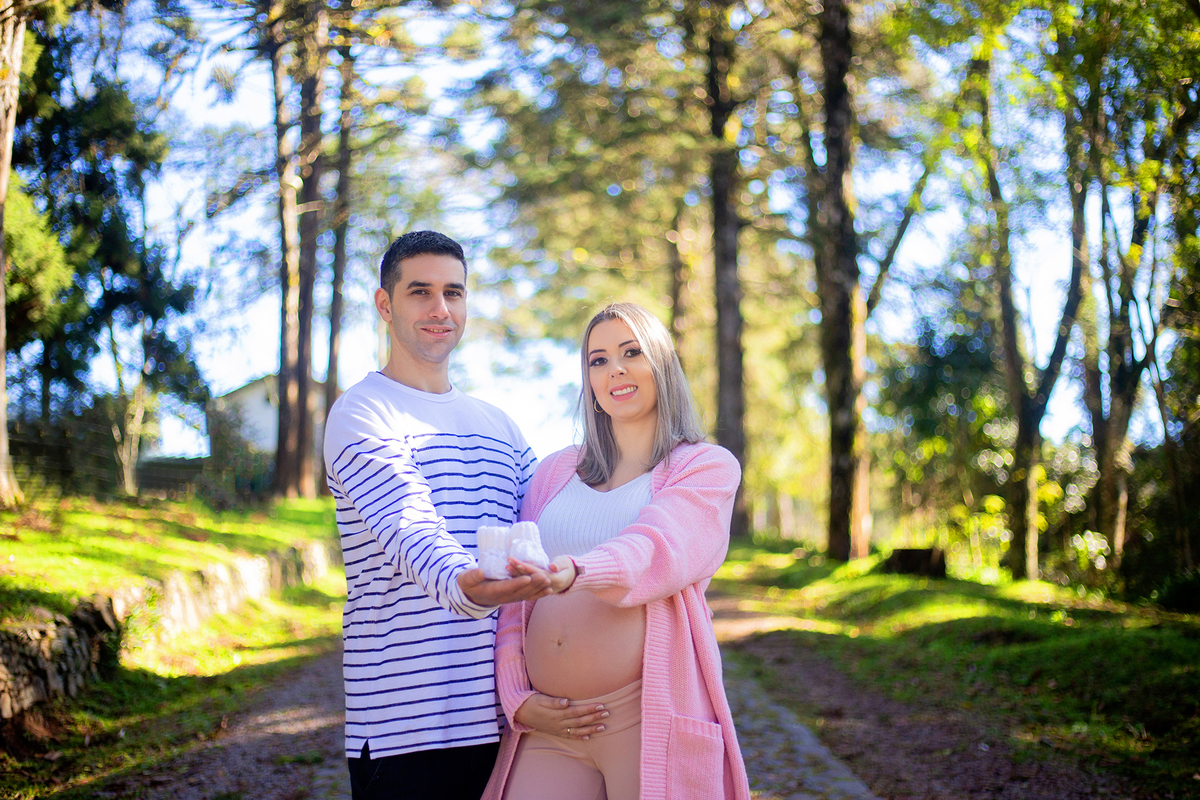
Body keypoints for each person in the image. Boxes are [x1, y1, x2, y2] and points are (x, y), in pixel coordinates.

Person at [483, 302, 752, 800]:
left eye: (632, 353)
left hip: (645, 715)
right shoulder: (553, 472)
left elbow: (658, 546)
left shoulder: (705, 467)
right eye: (598, 359)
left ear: (663, 365)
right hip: (551, 725)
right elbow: (515, 606)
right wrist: (517, 697)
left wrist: (576, 571)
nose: (616, 370)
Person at [323, 230, 554, 800]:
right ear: (385, 305)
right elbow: (409, 528)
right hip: (409, 730)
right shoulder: (361, 411)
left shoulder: (502, 426)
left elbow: (550, 526)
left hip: (509, 722)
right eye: (419, 292)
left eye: (454, 293)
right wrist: (466, 584)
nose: (439, 309)